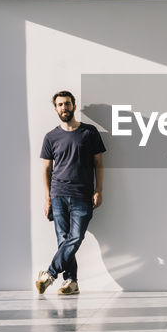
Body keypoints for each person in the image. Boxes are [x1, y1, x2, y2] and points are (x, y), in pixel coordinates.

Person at [36, 91, 105, 295]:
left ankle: (49, 274)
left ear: (74, 106)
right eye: (59, 105)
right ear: (55, 109)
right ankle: (71, 282)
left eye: (67, 104)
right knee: (64, 239)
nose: (63, 108)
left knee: (75, 237)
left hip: (83, 194)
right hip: (58, 195)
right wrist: (48, 197)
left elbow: (99, 164)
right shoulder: (51, 137)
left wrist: (99, 190)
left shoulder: (89, 132)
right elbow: (46, 169)